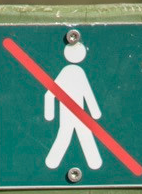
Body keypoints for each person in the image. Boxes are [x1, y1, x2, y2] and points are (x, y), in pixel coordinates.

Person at [44, 41, 103, 172]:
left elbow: (49, 94)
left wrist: (50, 114)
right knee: (74, 134)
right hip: (75, 113)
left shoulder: (67, 72)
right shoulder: (75, 72)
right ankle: (94, 163)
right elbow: (87, 93)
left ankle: (53, 162)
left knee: (70, 134)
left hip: (71, 113)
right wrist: (95, 112)